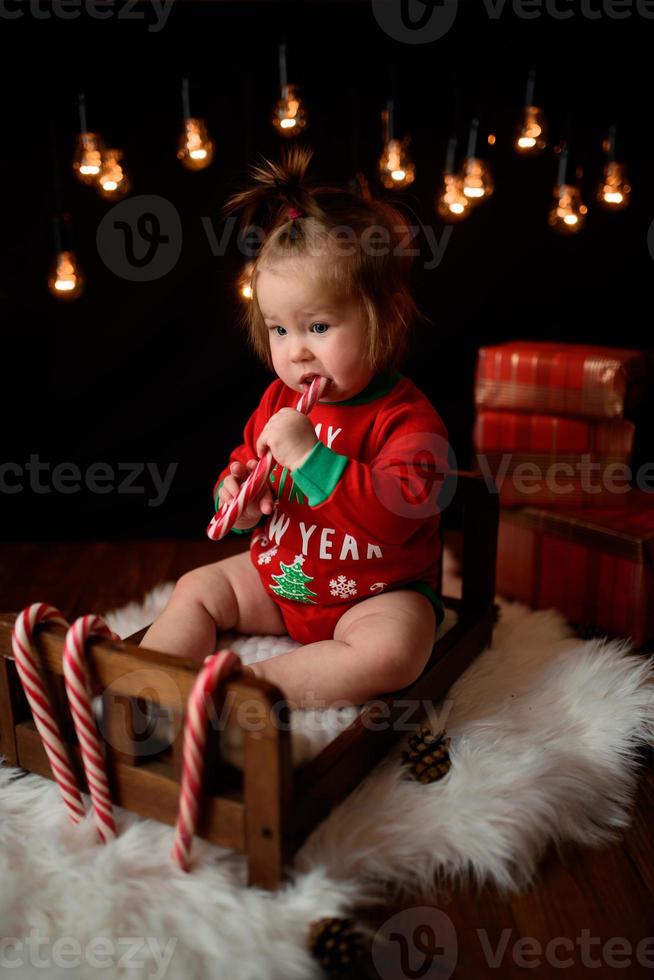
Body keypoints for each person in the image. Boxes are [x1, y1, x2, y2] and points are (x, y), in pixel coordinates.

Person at [140, 147, 449, 709]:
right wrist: (237, 492)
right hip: (286, 581)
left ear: (386, 318)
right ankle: (142, 685)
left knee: (393, 653)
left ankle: (244, 697)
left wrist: (311, 459)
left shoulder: (409, 420)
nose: (297, 351)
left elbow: (400, 517)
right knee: (198, 588)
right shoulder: (280, 400)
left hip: (376, 591)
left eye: (320, 325)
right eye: (279, 330)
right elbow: (244, 461)